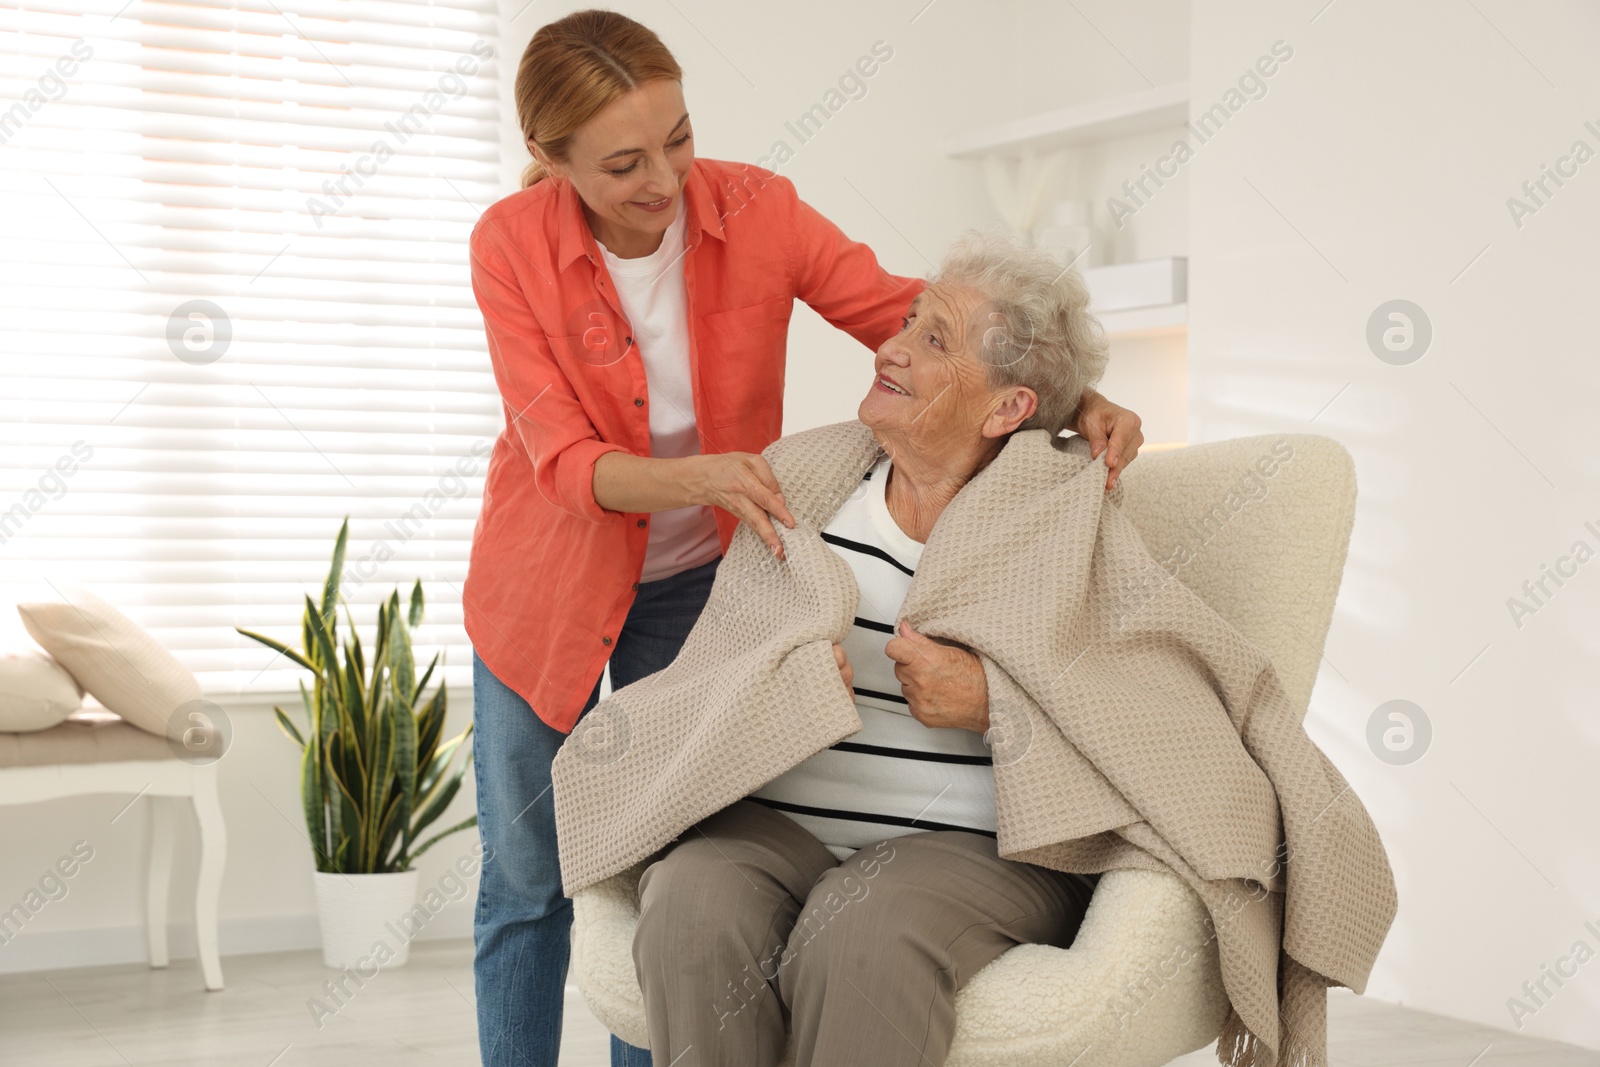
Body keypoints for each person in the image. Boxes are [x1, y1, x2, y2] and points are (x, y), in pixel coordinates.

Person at [464, 11, 1146, 1067]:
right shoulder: (509, 245)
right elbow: (558, 456)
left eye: (679, 139)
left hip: (700, 582)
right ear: (551, 161)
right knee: (524, 872)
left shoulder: (757, 210)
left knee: (660, 850)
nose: (666, 179)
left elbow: (901, 314)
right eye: (624, 163)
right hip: (542, 588)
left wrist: (1073, 391)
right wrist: (699, 476)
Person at [631, 231, 1106, 1067]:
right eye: (910, 320)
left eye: (934, 339)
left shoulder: (1066, 515)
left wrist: (997, 702)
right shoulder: (801, 482)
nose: (890, 346)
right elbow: (717, 674)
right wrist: (776, 689)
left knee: (862, 924)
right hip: (777, 827)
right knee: (689, 901)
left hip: (975, 850)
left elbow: (1142, 704)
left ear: (1008, 409)